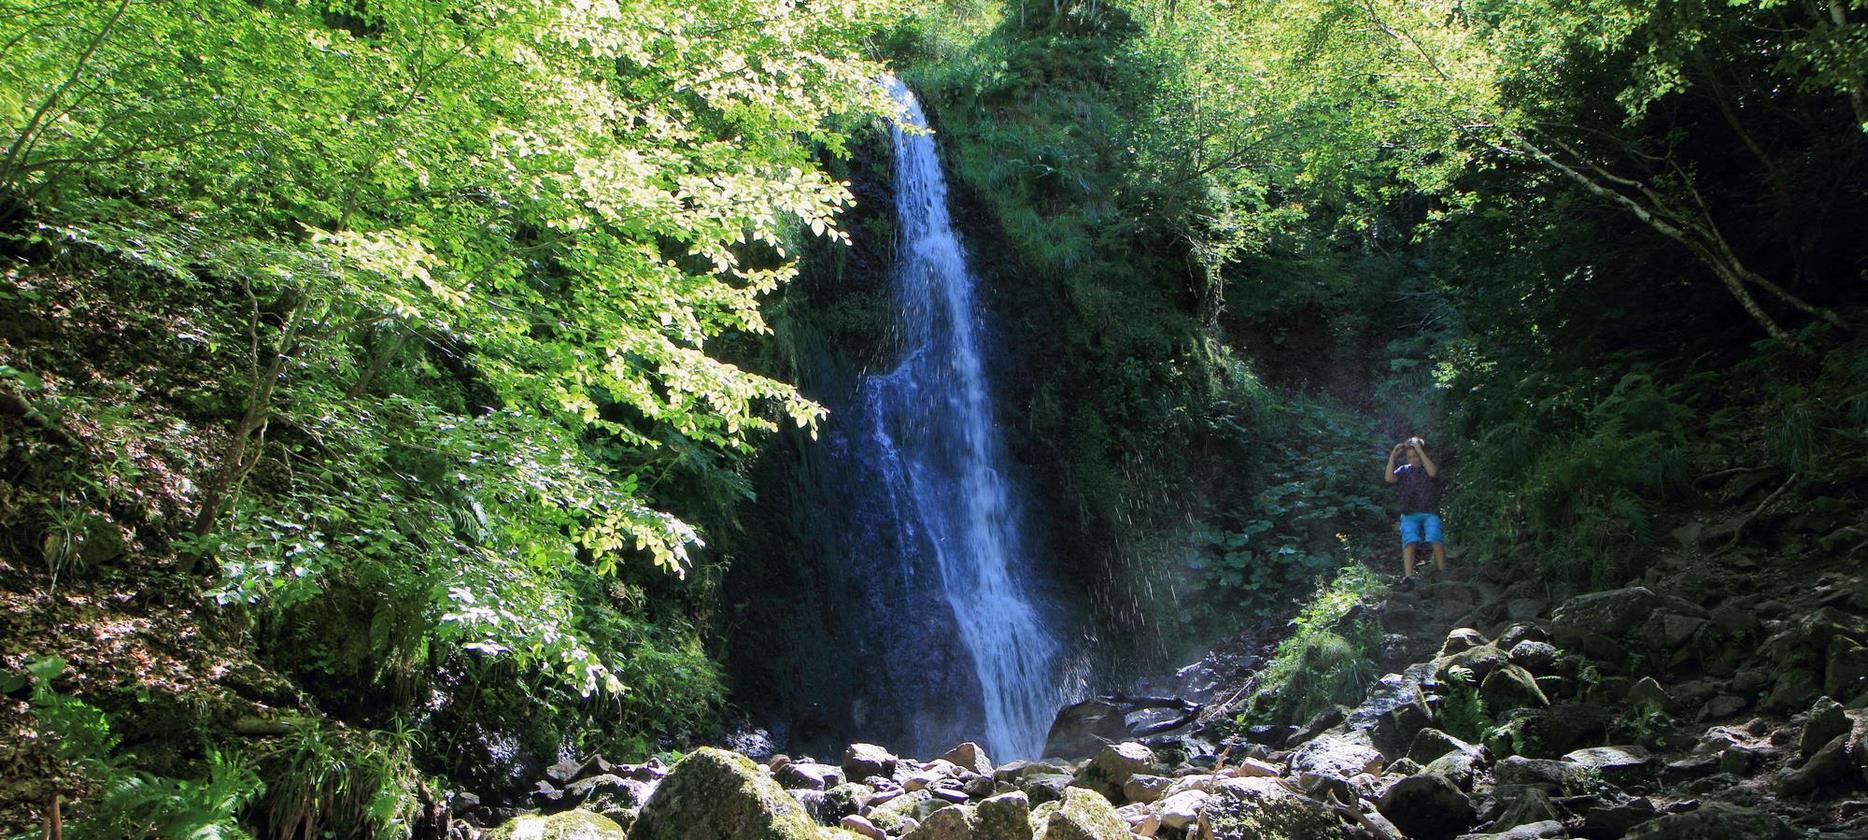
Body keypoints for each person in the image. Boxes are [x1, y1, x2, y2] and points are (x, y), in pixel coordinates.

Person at [1384, 436, 1446, 584]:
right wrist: (1393, 455)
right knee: (1409, 541)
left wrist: (1419, 448)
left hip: (1430, 511)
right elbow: (1389, 478)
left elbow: (1433, 473)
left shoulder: (1428, 467)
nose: (1413, 459)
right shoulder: (1404, 470)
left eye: (1416, 456)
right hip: (1409, 513)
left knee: (1434, 537)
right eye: (1410, 457)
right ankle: (1408, 577)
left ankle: (1443, 572)